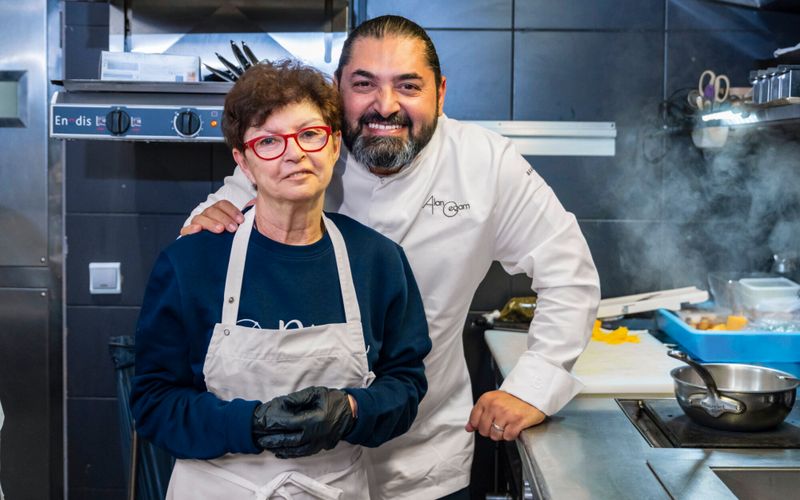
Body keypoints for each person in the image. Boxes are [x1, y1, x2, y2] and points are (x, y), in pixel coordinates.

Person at [183, 15, 601, 500]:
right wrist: (205, 219)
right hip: (288, 466)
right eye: (364, 84)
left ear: (440, 94)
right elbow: (216, 218)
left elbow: (569, 274)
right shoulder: (302, 150)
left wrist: (534, 385)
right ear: (337, 89)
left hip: (422, 460)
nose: (386, 105)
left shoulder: (486, 164)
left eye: (408, 85)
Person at [131, 60, 431, 500]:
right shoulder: (190, 262)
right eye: (269, 141)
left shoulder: (378, 260)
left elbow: (405, 384)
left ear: (333, 147)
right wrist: (249, 425)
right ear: (244, 163)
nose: (294, 153)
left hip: (335, 488)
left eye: (310, 134)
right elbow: (154, 402)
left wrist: (350, 410)